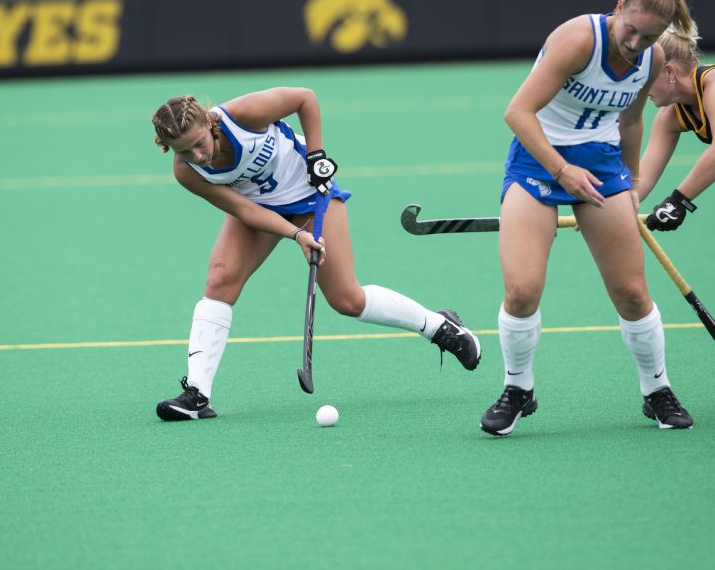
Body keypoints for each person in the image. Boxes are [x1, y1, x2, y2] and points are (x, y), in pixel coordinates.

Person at [151, 88, 482, 421]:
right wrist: (296, 235)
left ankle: (441, 327)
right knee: (220, 278)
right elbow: (243, 209)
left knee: (347, 300)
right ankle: (197, 394)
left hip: (311, 194)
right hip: (260, 208)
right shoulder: (186, 172)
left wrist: (316, 155)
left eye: (199, 143)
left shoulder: (242, 116)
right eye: (185, 151)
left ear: (209, 123)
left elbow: (304, 99)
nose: (197, 155)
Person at [480, 0, 697, 436]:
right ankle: (518, 388)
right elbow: (517, 113)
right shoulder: (578, 39)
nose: (635, 43)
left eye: (649, 36)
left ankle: (656, 390)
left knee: (633, 293)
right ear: (618, 7)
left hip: (601, 168)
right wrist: (561, 171)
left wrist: (632, 182)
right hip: (539, 162)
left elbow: (633, 121)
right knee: (521, 290)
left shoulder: (652, 59)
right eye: (631, 29)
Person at [638, 22, 713, 230]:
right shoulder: (669, 116)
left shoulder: (713, 84)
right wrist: (608, 209)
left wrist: (679, 200)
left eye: (644, 77)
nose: (639, 88)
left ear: (669, 71)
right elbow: (642, 180)